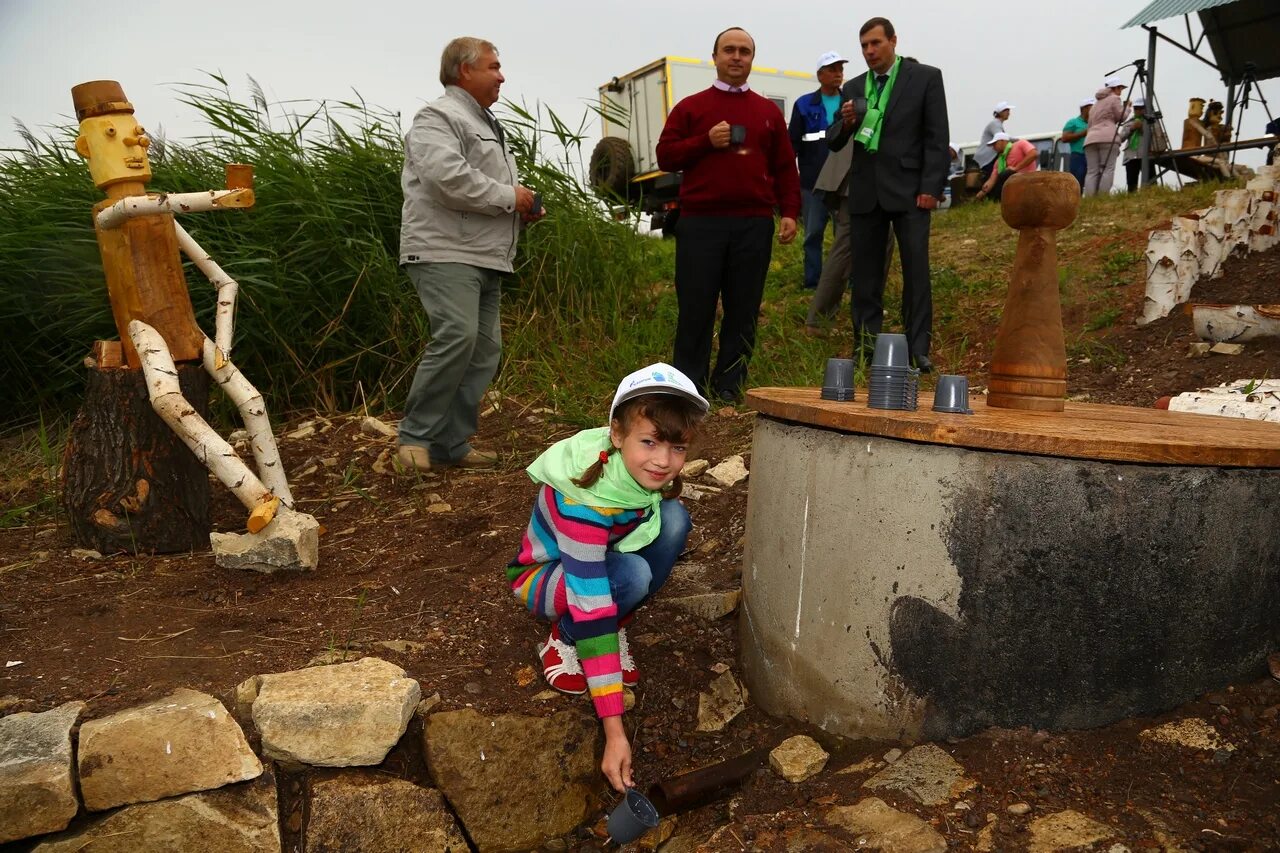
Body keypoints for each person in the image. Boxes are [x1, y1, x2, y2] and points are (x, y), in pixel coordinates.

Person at [507, 363, 709, 792]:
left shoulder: (635, 475)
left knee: (673, 520)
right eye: (649, 442)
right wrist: (614, 732)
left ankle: (615, 620)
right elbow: (589, 599)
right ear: (616, 435)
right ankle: (562, 638)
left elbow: (646, 519)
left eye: (677, 448)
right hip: (545, 577)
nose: (663, 461)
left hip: (603, 557)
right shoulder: (585, 501)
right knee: (632, 575)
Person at [396, 37, 542, 473]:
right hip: (445, 250)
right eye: (493, 66)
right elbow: (447, 180)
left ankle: (449, 444)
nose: (502, 75)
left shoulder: (485, 123)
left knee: (483, 351)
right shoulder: (438, 116)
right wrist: (509, 196)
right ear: (464, 70)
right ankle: (414, 441)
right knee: (457, 336)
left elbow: (479, 187)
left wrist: (521, 208)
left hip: (484, 254)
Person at [656, 27, 801, 404]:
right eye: (729, 50)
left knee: (744, 308)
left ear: (752, 59)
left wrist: (789, 212)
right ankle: (689, 389)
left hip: (753, 223)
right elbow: (666, 156)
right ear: (716, 57)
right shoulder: (691, 108)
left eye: (745, 51)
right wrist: (706, 141)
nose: (737, 57)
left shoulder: (768, 112)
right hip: (700, 222)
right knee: (696, 308)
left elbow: (786, 167)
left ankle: (729, 386)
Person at [827, 16, 949, 372]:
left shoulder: (925, 77)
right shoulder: (853, 87)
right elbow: (834, 141)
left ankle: (918, 348)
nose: (869, 51)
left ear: (893, 41)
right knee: (864, 275)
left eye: (875, 43)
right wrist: (847, 122)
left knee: (916, 271)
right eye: (864, 45)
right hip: (866, 193)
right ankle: (866, 346)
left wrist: (931, 187)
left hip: (911, 192)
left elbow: (936, 137)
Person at [790, 51, 848, 290]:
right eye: (832, 69)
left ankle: (844, 280)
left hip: (844, 183)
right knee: (812, 234)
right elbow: (791, 144)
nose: (838, 74)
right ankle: (813, 283)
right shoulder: (804, 105)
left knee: (844, 236)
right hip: (813, 183)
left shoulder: (850, 101)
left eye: (840, 69)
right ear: (820, 75)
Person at [1083, 76, 1130, 197]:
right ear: (1116, 88)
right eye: (1120, 88)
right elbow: (1121, 117)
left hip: (1090, 139)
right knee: (1107, 169)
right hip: (1107, 138)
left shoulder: (1095, 105)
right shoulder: (1115, 98)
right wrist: (1128, 108)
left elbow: (1089, 124)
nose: (1121, 91)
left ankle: (1089, 198)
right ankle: (1103, 197)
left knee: (1092, 171)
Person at [975, 132, 1039, 202]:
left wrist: (1016, 168)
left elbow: (1033, 154)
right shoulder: (999, 161)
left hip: (1028, 182)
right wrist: (982, 192)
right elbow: (992, 180)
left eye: (995, 144)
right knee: (1000, 179)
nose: (993, 147)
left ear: (1002, 141)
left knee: (1006, 174)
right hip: (1014, 187)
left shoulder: (1020, 144)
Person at [1120, 97, 1166, 191]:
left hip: (1146, 155)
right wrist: (1131, 129)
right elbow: (1120, 138)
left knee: (1151, 181)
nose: (1138, 110)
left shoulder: (1152, 121)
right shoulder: (1130, 121)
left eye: (1141, 108)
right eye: (1136, 108)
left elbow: (1156, 135)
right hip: (1131, 156)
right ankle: (1131, 199)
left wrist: (1142, 129)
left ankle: (1152, 197)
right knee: (1131, 183)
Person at [974, 101, 1013, 185]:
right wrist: (1019, 140)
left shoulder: (997, 124)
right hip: (986, 159)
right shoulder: (995, 124)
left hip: (989, 158)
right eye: (1006, 110)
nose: (1009, 113)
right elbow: (1001, 137)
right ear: (1000, 112)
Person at [1062, 97, 1093, 190]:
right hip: (1078, 155)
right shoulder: (1073, 122)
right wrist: (1082, 133)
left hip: (1091, 156)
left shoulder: (1094, 123)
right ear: (1084, 108)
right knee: (1077, 181)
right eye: (1092, 107)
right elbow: (1064, 138)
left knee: (1090, 181)